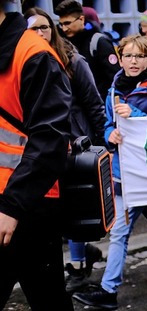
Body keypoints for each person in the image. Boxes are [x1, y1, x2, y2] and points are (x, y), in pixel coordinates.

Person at [72, 34, 147, 310]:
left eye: (140, 56)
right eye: (128, 55)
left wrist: (134, 115)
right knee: (119, 232)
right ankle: (108, 291)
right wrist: (110, 134)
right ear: (121, 59)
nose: (133, 61)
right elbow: (106, 124)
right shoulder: (113, 89)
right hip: (123, 174)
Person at [23, 6, 107, 293]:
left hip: (74, 146)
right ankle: (83, 255)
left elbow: (95, 106)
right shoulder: (24, 63)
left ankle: (78, 265)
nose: (38, 34)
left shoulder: (73, 61)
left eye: (43, 28)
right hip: (40, 148)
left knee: (71, 207)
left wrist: (98, 146)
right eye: (32, 29)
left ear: (52, 30)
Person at [0, 1, 73, 310]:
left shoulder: (33, 53)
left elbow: (50, 139)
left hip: (25, 206)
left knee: (48, 298)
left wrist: (12, 207)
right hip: (14, 204)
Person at [54, 0, 120, 100]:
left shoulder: (98, 42)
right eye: (61, 24)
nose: (64, 28)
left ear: (81, 19)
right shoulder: (63, 43)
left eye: (67, 23)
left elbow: (114, 77)